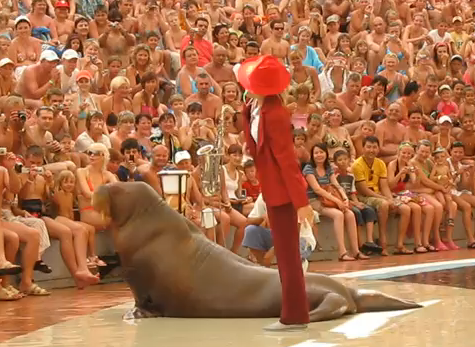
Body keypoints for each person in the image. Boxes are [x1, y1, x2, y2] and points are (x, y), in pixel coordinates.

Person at [238, 55, 314, 331]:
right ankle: (293, 312)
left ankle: (295, 315)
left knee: (288, 256)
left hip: (283, 192)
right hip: (269, 189)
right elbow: (252, 144)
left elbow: (287, 160)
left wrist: (301, 202)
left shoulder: (277, 115)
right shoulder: (254, 108)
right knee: (284, 254)